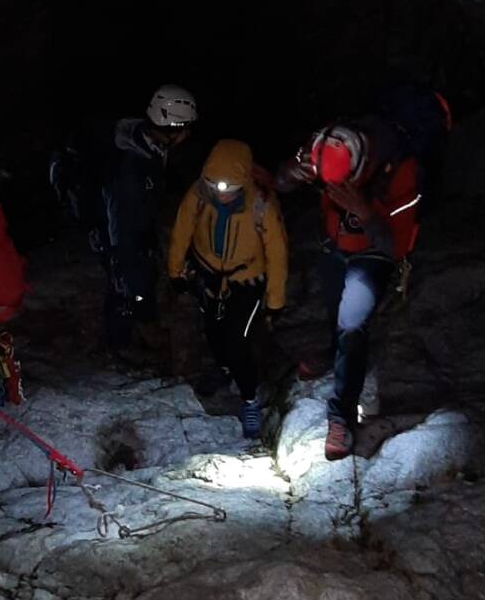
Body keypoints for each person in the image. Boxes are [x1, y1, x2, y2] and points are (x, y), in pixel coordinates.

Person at [276, 117, 422, 460]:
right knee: (334, 310)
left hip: (372, 253)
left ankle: (340, 417)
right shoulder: (323, 149)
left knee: (352, 324)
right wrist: (294, 173)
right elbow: (282, 181)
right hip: (335, 245)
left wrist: (365, 212)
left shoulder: (401, 173)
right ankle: (334, 351)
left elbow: (396, 247)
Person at [49, 84, 198, 354]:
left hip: (121, 214)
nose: (188, 134)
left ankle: (139, 321)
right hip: (108, 223)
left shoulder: (142, 137)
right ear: (172, 130)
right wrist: (128, 264)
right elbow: (123, 234)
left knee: (140, 270)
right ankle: (123, 342)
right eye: (185, 128)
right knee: (126, 284)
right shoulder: (131, 171)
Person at [167, 139, 288, 438]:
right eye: (215, 186)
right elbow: (182, 229)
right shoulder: (199, 194)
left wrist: (275, 299)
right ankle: (223, 369)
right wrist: (176, 270)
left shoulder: (261, 204)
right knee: (212, 328)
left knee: (238, 341)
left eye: (228, 188)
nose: (220, 194)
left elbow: (277, 252)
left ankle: (249, 398)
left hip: (247, 280)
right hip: (208, 275)